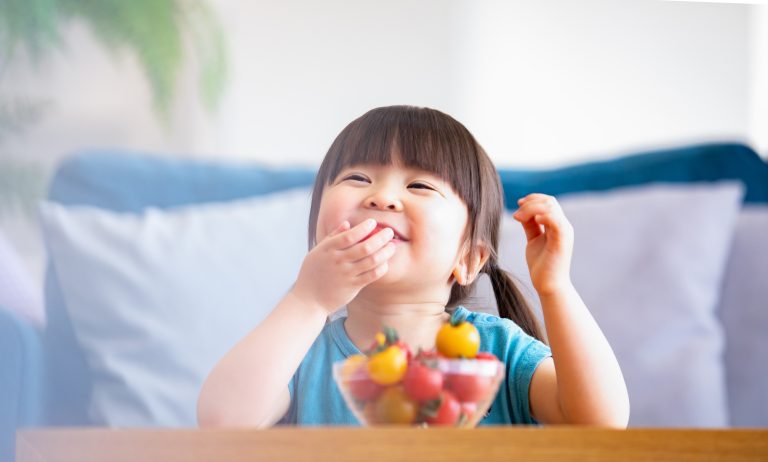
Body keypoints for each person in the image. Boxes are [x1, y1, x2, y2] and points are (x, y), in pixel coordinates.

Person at [197, 105, 629, 428]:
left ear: (469, 259)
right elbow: (222, 420)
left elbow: (600, 421)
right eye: (357, 178)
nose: (381, 198)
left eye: (419, 185)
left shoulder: (498, 351)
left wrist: (557, 289)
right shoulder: (299, 354)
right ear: (317, 233)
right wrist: (308, 299)